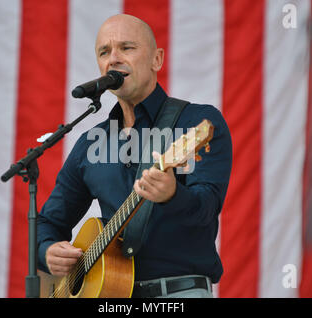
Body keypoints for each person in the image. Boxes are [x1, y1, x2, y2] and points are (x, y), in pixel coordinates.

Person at [37, 14, 232, 298]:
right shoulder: (92, 141)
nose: (113, 58)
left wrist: (172, 195)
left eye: (126, 48)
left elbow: (207, 208)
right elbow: (48, 223)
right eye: (105, 52)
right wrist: (48, 250)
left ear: (157, 60)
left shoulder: (196, 123)